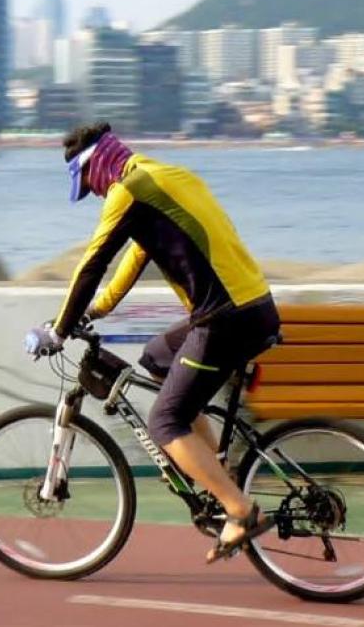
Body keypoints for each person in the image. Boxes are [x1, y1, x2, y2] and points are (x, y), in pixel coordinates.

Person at [27, 121, 282, 564]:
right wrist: (94, 312)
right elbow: (135, 257)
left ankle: (238, 509)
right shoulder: (167, 178)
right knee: (157, 358)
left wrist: (60, 329)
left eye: (91, 184)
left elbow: (92, 264)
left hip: (223, 320)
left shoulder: (130, 189)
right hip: (251, 308)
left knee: (164, 423)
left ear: (98, 165)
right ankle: (211, 470)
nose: (98, 194)